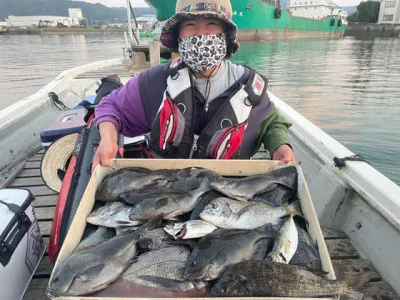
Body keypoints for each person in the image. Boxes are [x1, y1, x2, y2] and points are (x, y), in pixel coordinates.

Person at [92, 0, 295, 171]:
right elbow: (110, 106)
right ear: (178, 35)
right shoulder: (154, 81)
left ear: (226, 35)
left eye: (211, 24)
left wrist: (280, 145)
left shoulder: (249, 86)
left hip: (227, 190)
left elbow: (271, 122)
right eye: (190, 25)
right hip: (163, 186)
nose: (200, 34)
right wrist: (108, 139)